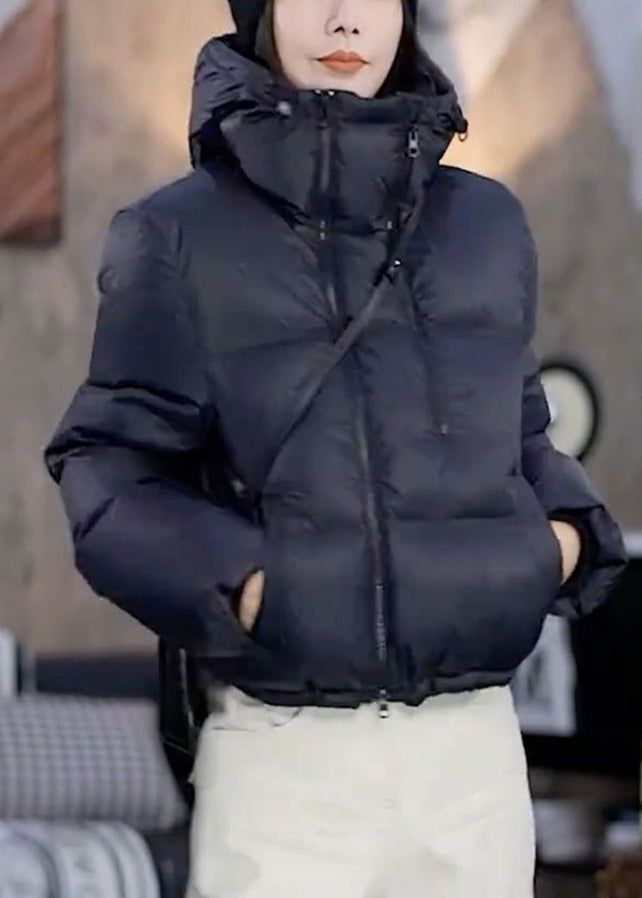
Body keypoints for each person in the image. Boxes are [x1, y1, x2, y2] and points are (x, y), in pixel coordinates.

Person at [43, 0, 628, 895]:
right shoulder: (177, 233)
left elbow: (521, 435)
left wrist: (563, 540)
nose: (346, 18)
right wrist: (251, 585)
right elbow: (108, 469)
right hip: (287, 764)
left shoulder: (487, 224)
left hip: (474, 762)